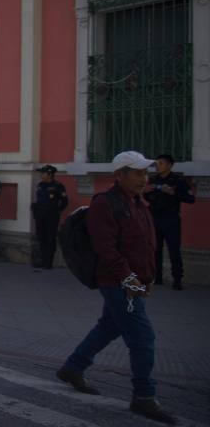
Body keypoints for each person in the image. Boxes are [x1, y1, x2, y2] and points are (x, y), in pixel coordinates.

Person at [56, 151, 176, 425]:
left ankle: (73, 367)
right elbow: (106, 248)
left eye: (145, 173)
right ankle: (144, 397)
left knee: (109, 326)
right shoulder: (105, 203)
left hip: (134, 281)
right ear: (119, 175)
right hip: (117, 282)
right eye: (137, 173)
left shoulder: (138, 202)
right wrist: (129, 279)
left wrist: (149, 278)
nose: (143, 178)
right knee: (142, 338)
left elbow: (147, 244)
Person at [143, 154, 193, 290]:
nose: (158, 166)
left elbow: (190, 199)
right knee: (155, 249)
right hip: (155, 217)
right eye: (157, 163)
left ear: (169, 165)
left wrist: (173, 193)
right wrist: (145, 191)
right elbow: (146, 196)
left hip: (171, 218)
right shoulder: (153, 180)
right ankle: (156, 277)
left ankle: (177, 279)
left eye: (161, 163)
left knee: (174, 249)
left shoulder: (178, 180)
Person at [31, 165, 68, 269]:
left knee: (50, 238)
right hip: (40, 215)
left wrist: (56, 211)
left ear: (50, 174)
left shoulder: (58, 186)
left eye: (43, 173)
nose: (41, 175)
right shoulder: (40, 185)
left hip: (51, 216)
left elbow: (64, 202)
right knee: (41, 237)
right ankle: (42, 260)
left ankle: (48, 262)